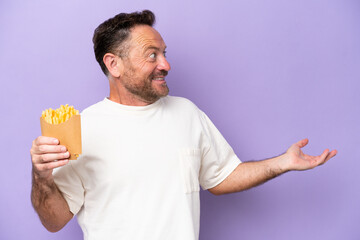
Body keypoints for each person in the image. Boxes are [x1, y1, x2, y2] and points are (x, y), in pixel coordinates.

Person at [30, 10, 337, 240]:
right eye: (152, 55)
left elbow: (221, 177)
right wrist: (42, 178)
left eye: (164, 53)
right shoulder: (81, 129)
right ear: (114, 65)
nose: (165, 64)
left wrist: (281, 163)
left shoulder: (186, 113)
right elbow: (54, 221)